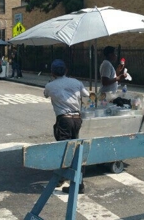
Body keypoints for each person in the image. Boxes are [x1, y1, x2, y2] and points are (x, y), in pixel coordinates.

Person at [43, 59, 89, 194]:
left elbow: (46, 95)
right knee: (75, 150)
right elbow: (87, 94)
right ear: (66, 70)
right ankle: (70, 179)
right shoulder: (75, 82)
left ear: (52, 72)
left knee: (64, 150)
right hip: (77, 119)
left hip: (64, 120)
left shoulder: (50, 86)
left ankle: (71, 181)